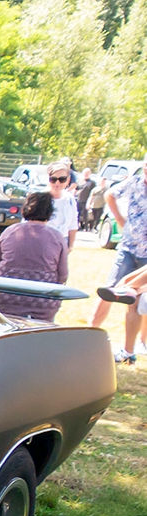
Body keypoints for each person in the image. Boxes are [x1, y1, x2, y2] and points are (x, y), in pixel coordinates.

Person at [91, 152, 147, 363]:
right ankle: (89, 334)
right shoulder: (134, 182)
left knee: (137, 298)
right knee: (114, 289)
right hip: (129, 246)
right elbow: (110, 195)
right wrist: (120, 219)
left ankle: (133, 348)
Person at [0, 192, 68, 322]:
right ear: (50, 212)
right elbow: (63, 275)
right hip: (42, 300)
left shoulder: (10, 231)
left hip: (4, 296)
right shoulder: (57, 237)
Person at [44, 161, 80, 248]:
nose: (57, 183)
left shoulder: (70, 199)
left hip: (62, 241)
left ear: (68, 180)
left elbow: (73, 224)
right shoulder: (40, 197)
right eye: (53, 179)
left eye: (62, 179)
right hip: (43, 240)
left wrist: (70, 246)